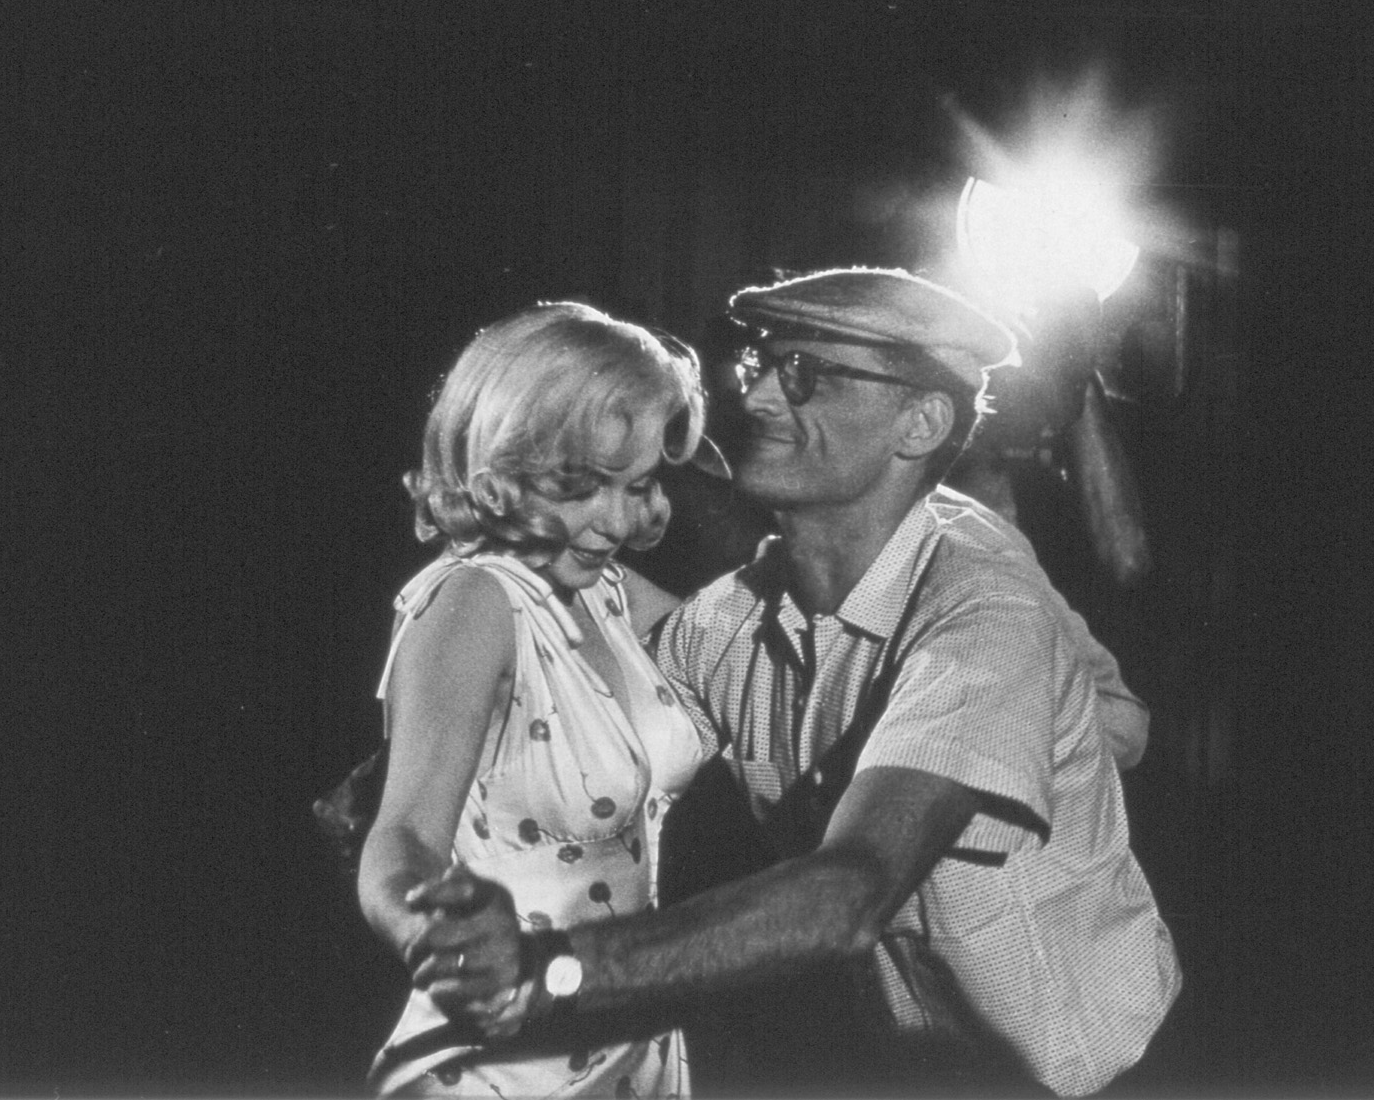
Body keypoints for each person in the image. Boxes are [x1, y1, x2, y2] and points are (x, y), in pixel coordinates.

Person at [412, 268, 1181, 1097]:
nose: (759, 398)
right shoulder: (742, 615)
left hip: (1098, 1081)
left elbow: (848, 895)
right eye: (762, 364)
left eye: (808, 374)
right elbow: (593, 667)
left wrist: (547, 970)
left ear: (920, 423)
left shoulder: (980, 618)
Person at [356, 302, 713, 1096]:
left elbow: (744, 649)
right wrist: (441, 933)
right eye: (578, 486)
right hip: (500, 1063)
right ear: (502, 464)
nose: (614, 520)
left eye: (637, 484)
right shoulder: (477, 600)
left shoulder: (609, 592)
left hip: (627, 1044)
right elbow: (403, 833)